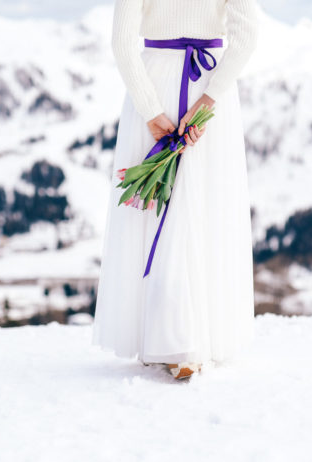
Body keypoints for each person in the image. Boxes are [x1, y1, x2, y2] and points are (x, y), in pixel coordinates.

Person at [91, 0, 260, 380]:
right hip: (211, 87)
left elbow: (122, 42)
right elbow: (245, 37)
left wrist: (150, 110)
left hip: (152, 81)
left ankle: (171, 338)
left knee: (154, 213)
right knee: (202, 209)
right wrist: (207, 100)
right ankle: (188, 340)